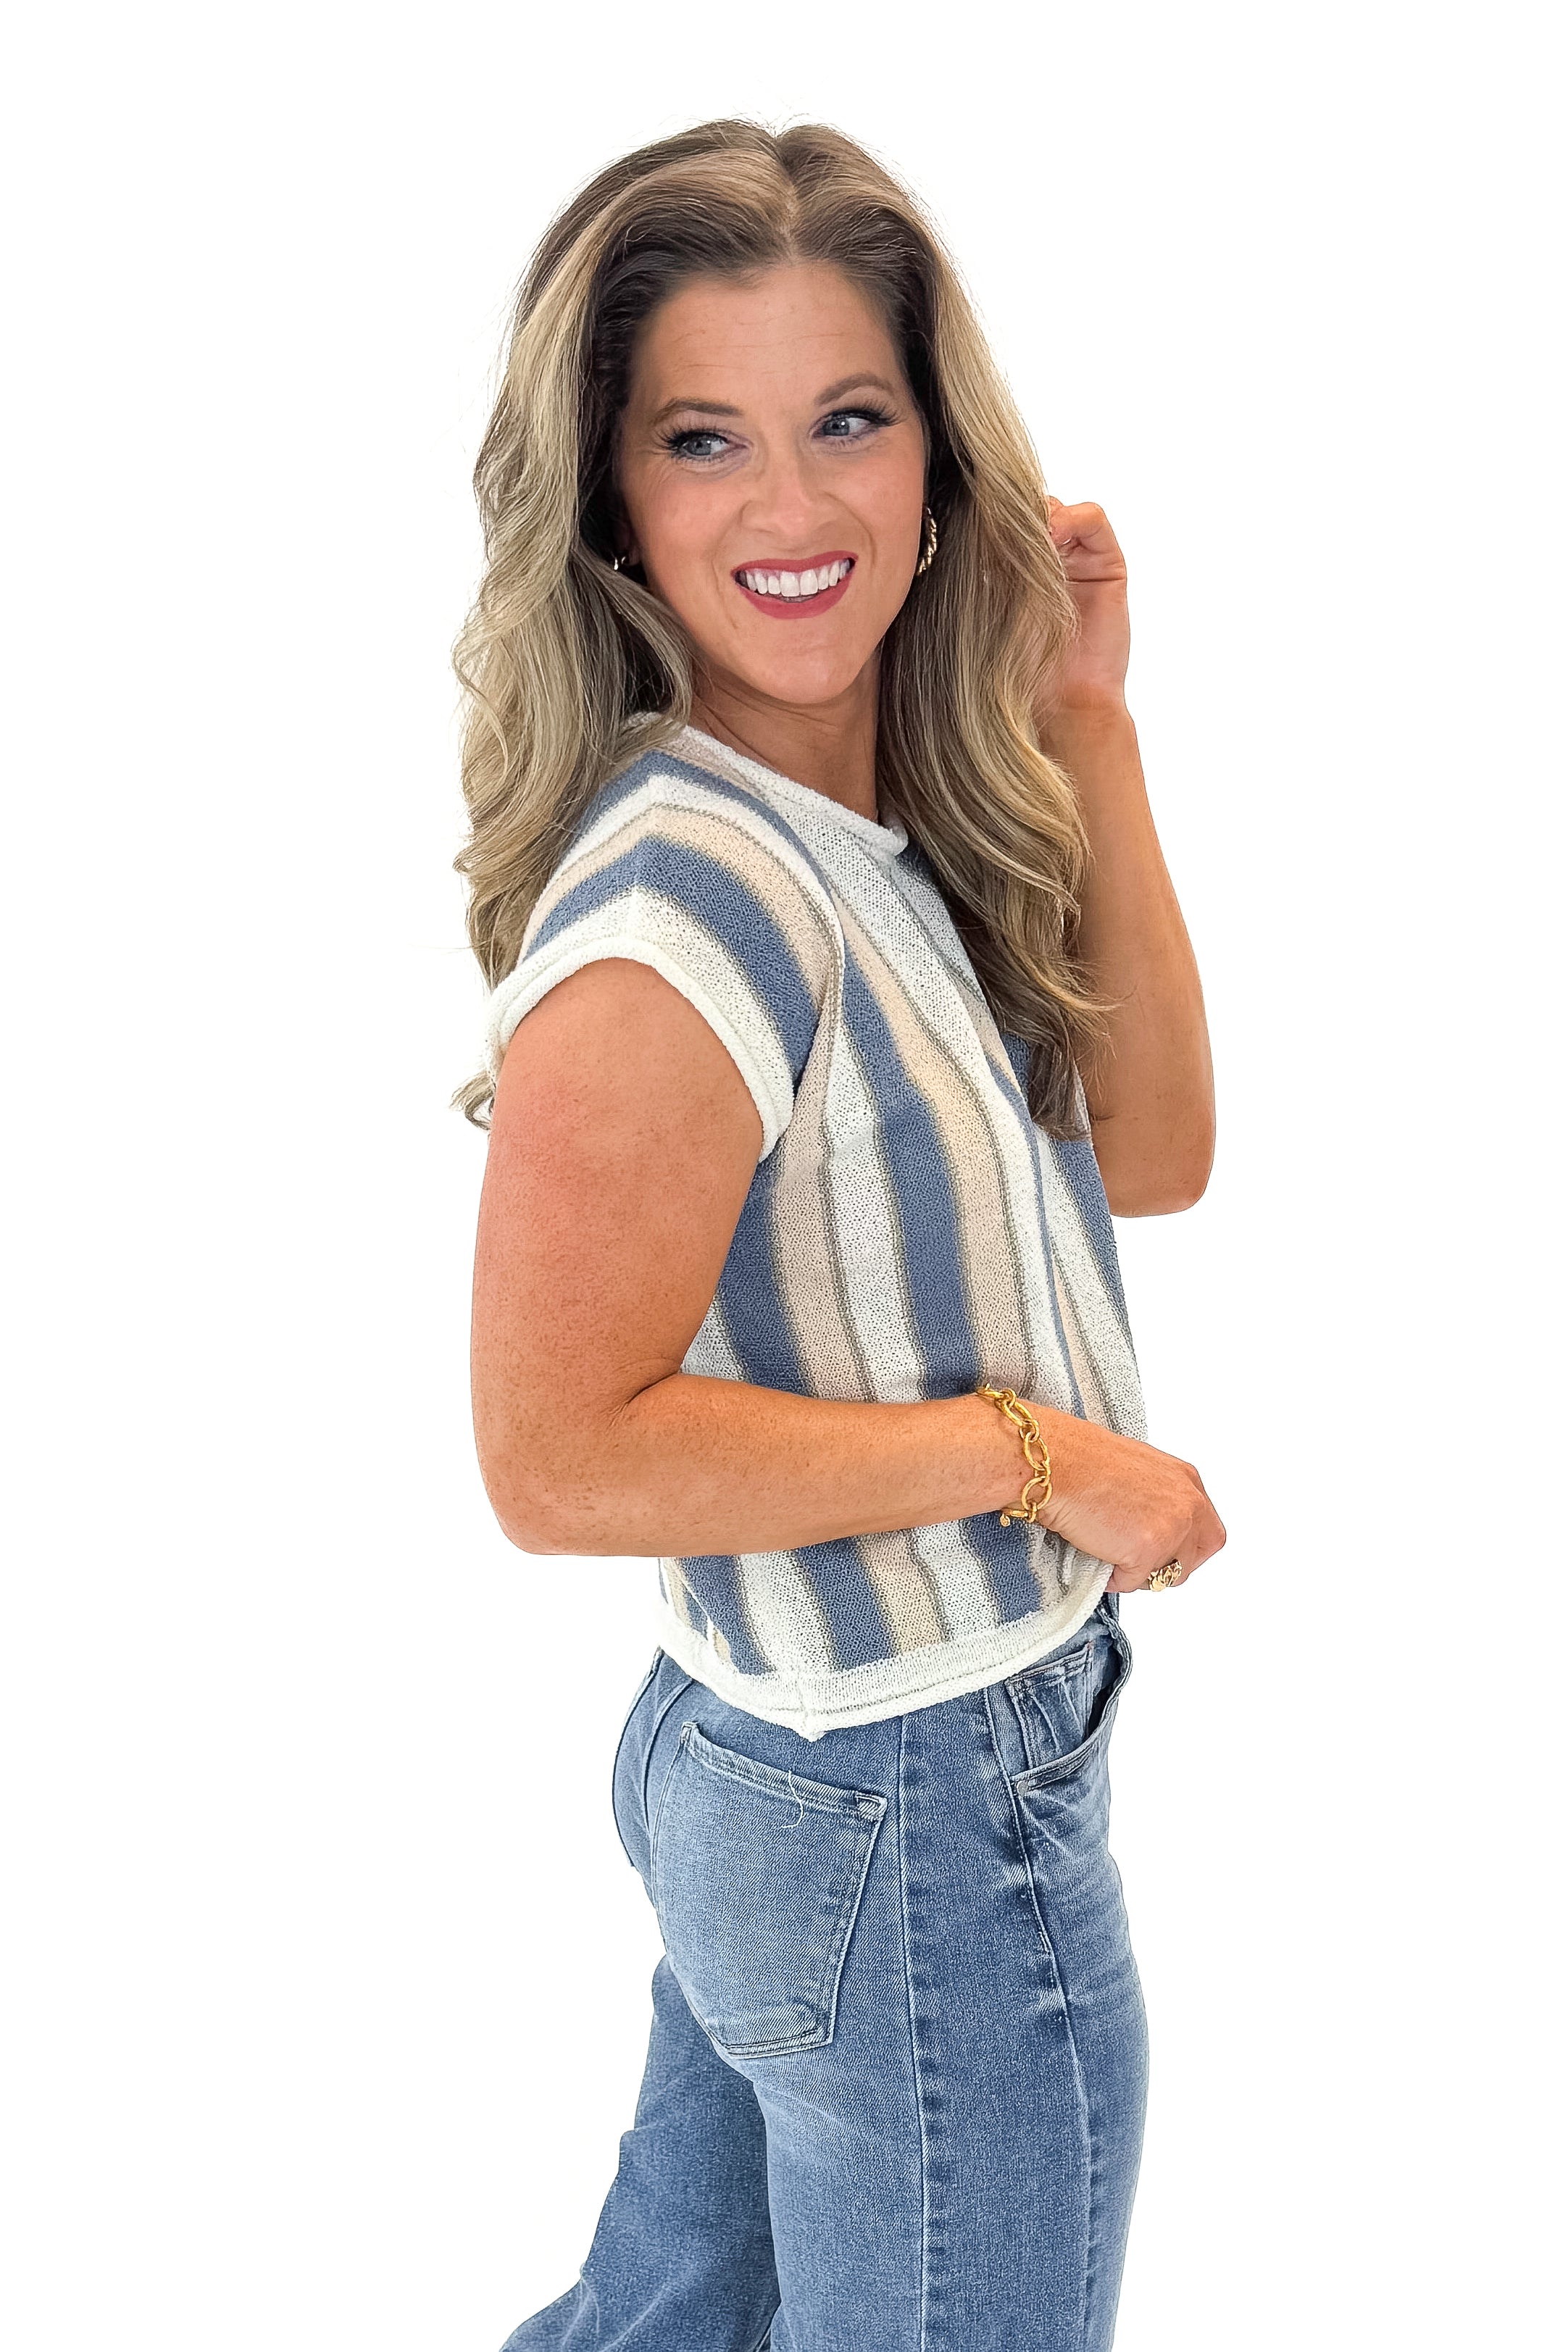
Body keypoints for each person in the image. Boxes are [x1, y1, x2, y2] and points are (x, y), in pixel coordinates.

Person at [457, 117, 1225, 2352]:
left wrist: (1089, 729)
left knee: (660, 2323)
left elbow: (1157, 1148)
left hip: (814, 1772)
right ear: (614, 498)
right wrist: (1033, 1458)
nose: (791, 511)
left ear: (934, 449)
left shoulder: (867, 826)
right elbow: (555, 1457)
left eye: (847, 421)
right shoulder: (680, 905)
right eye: (705, 441)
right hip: (903, 1796)